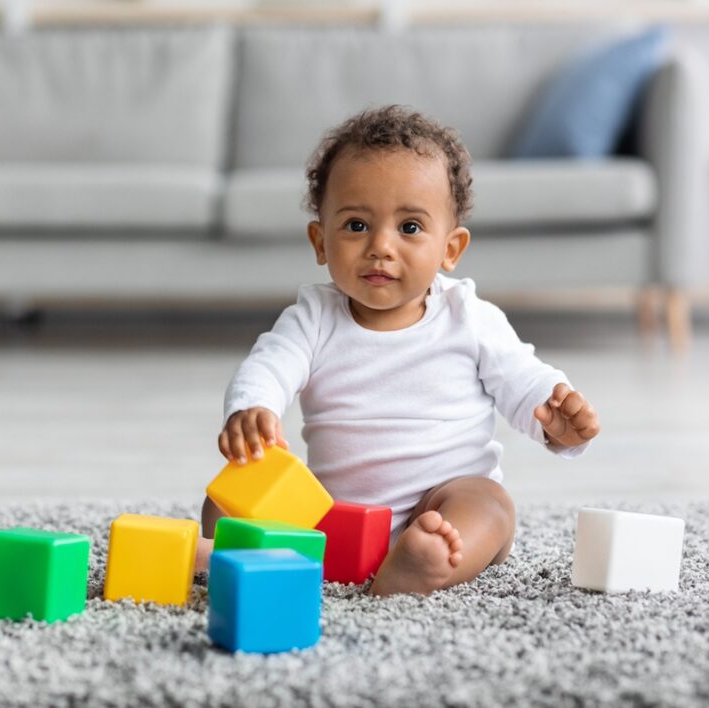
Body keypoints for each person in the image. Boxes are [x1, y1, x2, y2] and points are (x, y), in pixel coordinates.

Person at [198, 105, 601, 596]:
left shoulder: (467, 316)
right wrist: (251, 408)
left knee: (490, 504)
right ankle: (238, 555)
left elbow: (523, 379)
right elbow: (268, 365)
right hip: (330, 517)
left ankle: (422, 565)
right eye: (355, 226)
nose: (381, 247)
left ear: (450, 249)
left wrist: (555, 421)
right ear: (319, 240)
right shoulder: (313, 317)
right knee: (228, 495)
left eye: (409, 228)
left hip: (439, 504)